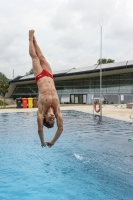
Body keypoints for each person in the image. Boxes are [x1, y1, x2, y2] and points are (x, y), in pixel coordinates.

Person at [29, 30, 63, 147]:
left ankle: (30, 38)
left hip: (40, 77)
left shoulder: (41, 111)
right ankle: (35, 40)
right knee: (42, 57)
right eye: (53, 121)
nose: (52, 118)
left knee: (35, 57)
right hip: (49, 76)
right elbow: (61, 129)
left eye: (49, 120)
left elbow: (39, 129)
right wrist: (52, 142)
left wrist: (43, 142)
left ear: (44, 118)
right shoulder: (58, 112)